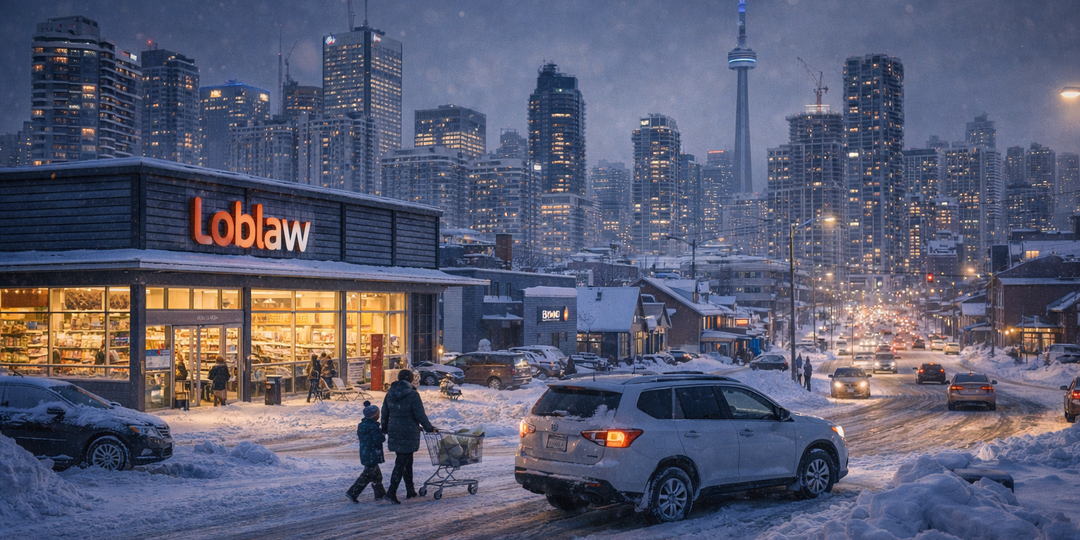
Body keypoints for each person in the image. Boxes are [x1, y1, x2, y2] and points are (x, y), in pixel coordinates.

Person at [381, 369, 437, 504]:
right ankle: (391, 492)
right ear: (410, 379)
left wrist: (385, 428)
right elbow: (420, 415)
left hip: (395, 430)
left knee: (406, 460)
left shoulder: (390, 393)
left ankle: (410, 489)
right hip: (408, 432)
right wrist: (429, 428)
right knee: (402, 462)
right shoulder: (412, 395)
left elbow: (384, 413)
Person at [347, 401, 387, 503]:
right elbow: (379, 439)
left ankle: (380, 494)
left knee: (377, 476)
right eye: (378, 414)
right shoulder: (373, 427)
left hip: (366, 453)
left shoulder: (362, 425)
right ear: (374, 416)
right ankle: (353, 492)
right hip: (372, 455)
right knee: (367, 476)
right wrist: (382, 434)